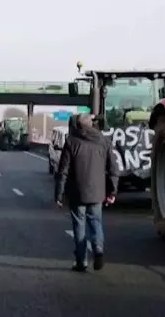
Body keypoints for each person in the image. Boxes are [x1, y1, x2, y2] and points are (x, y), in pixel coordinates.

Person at [55, 114, 118, 272]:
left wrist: (59, 194)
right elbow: (113, 169)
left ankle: (81, 261)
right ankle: (98, 250)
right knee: (95, 222)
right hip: (97, 192)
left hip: (77, 193)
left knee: (79, 225)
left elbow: (63, 171)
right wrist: (113, 191)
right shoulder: (104, 141)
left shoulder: (71, 142)